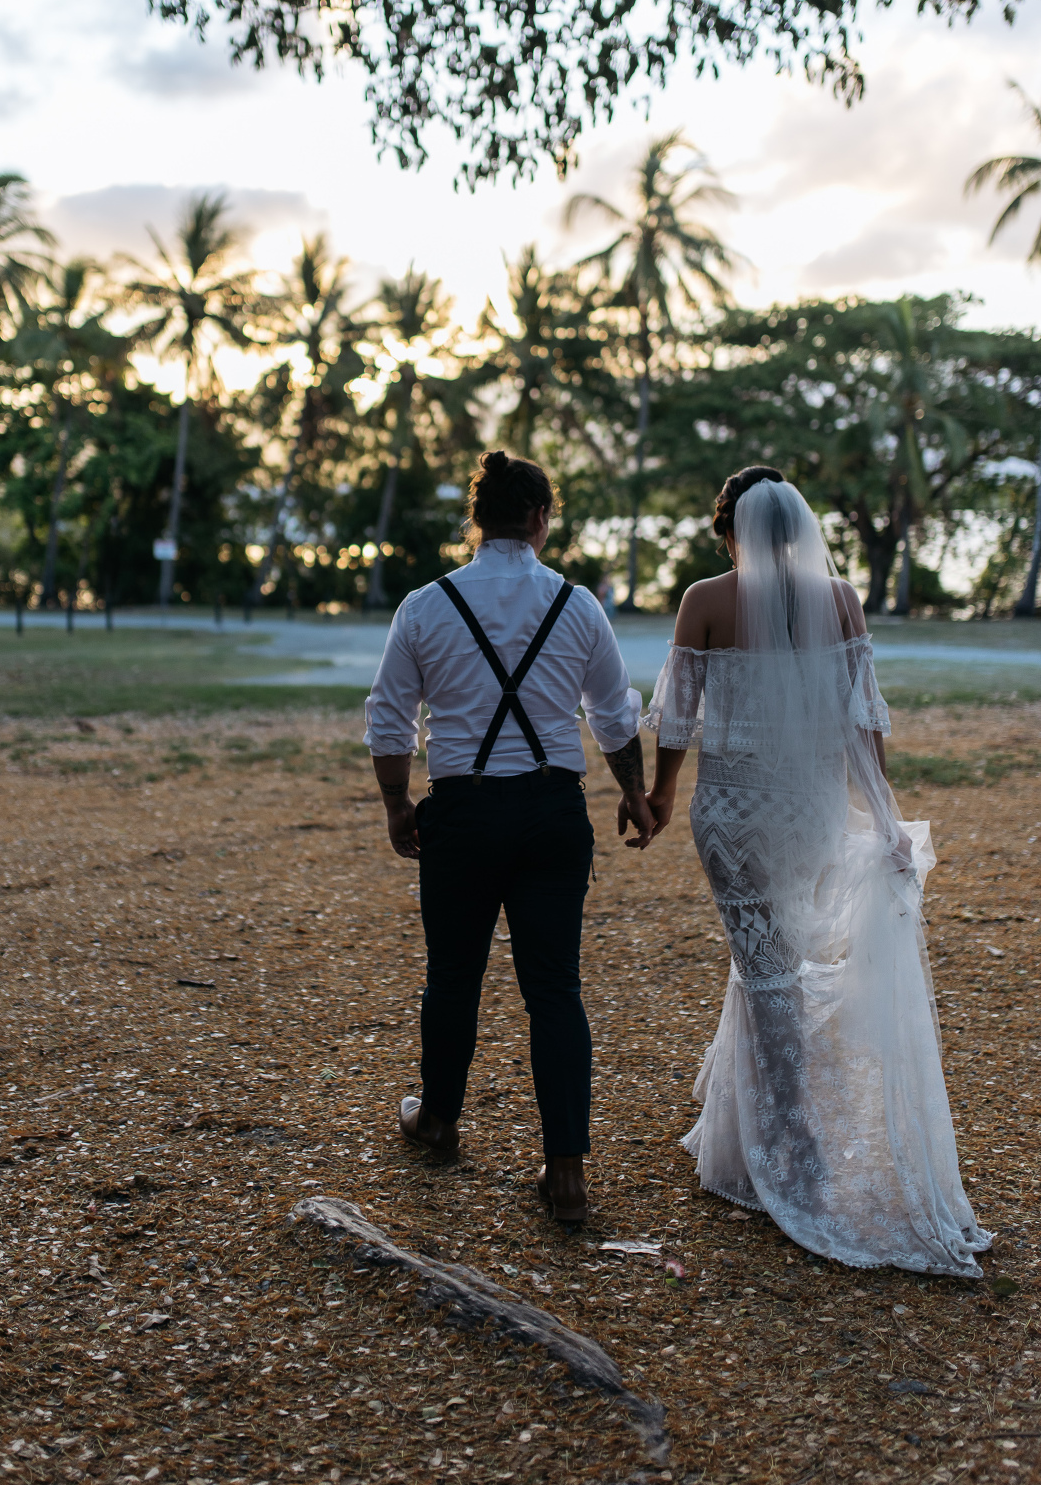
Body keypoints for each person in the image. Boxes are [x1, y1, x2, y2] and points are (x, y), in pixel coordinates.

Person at [643, 466, 991, 1275]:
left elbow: (678, 719)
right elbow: (861, 722)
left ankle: (792, 1148)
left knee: (765, 969)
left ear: (728, 528)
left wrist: (659, 797)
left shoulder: (703, 600)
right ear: (796, 530)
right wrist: (882, 808)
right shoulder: (838, 599)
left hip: (729, 814)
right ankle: (741, 1138)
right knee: (772, 964)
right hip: (809, 812)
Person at [364, 450, 655, 1222]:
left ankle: (437, 1123)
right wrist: (633, 793)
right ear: (538, 519)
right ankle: (565, 1175)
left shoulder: (426, 605)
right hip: (554, 813)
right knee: (555, 989)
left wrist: (397, 805)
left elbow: (389, 718)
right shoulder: (578, 605)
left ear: (476, 520)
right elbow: (613, 717)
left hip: (461, 811)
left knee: (453, 976)